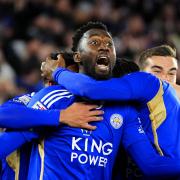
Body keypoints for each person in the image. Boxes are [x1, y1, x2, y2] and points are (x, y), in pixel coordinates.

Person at [25, 22, 180, 179]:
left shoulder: (131, 104)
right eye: (157, 70)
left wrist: (57, 72)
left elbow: (91, 89)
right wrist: (58, 116)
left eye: (109, 44)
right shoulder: (53, 97)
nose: (166, 79)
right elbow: (11, 128)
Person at [0, 52, 103, 180]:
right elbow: (2, 116)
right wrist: (60, 116)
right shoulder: (29, 101)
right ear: (50, 84)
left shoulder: (99, 113)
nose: (75, 86)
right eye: (67, 81)